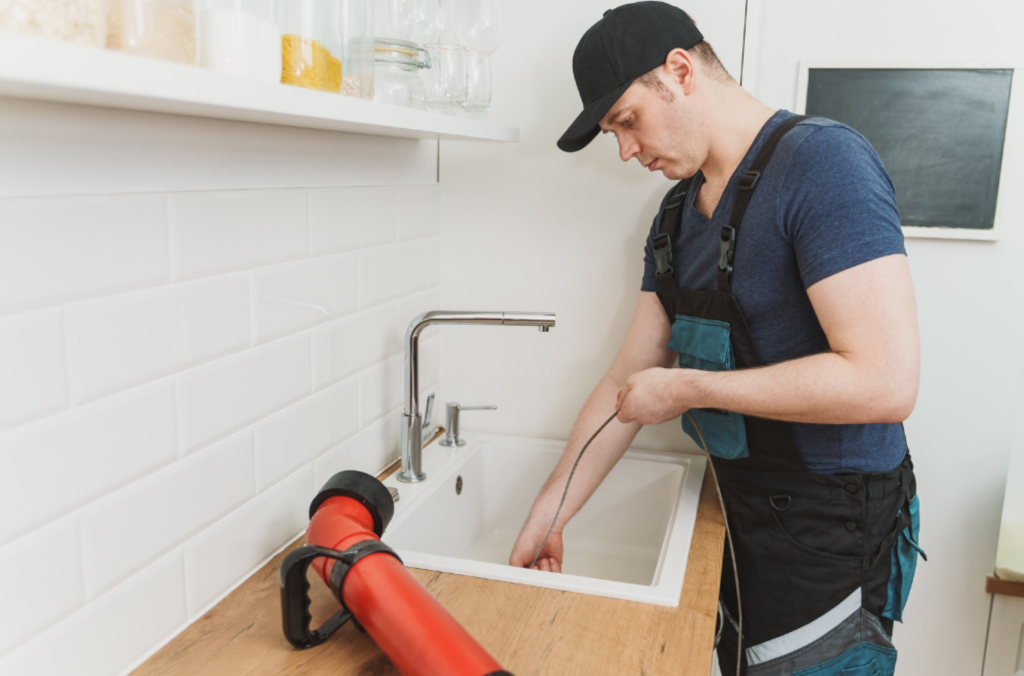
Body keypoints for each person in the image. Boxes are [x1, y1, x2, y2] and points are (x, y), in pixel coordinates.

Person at [508, 3, 925, 674]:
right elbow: (624, 383)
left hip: (831, 527)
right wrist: (551, 513)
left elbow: (885, 381)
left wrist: (687, 388)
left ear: (679, 71)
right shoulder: (675, 214)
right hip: (734, 505)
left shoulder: (825, 165)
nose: (626, 151)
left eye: (627, 121)